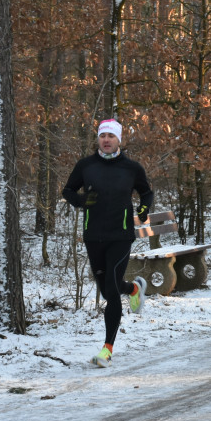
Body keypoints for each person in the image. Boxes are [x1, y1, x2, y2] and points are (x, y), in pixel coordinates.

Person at [62, 119, 152, 367]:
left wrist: (144, 208)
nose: (106, 139)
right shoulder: (86, 166)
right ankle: (133, 289)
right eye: (103, 135)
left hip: (121, 235)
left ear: (119, 140)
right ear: (98, 139)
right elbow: (68, 190)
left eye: (111, 136)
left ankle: (107, 349)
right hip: (94, 235)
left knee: (110, 292)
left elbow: (146, 192)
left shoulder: (131, 168)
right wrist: (82, 201)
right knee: (106, 288)